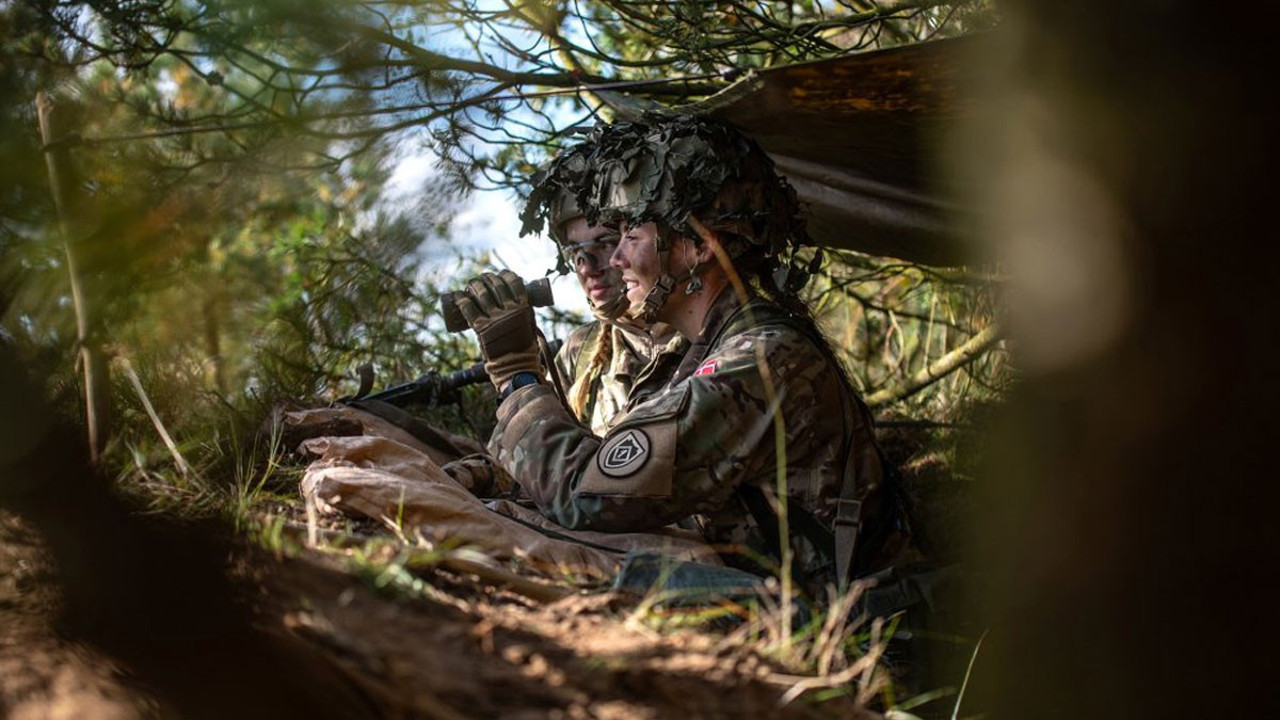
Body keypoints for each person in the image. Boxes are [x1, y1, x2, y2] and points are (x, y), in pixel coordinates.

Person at [455, 115, 907, 595]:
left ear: (698, 246)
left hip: (832, 629)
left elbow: (586, 494)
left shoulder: (759, 359)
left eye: (629, 236)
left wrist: (516, 377)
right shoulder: (720, 345)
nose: (613, 261)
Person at [524, 147, 686, 436]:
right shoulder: (581, 350)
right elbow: (540, 454)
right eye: (576, 252)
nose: (589, 267)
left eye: (606, 242)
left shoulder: (703, 330)